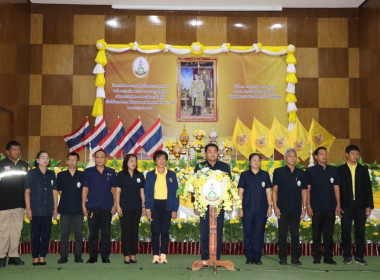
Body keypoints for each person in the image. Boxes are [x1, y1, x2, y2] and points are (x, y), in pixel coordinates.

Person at [194, 143, 231, 261]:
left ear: (218, 153)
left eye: (215, 151)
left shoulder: (224, 167)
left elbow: (229, 186)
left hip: (219, 205)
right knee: (205, 231)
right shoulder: (200, 167)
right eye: (210, 151)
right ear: (205, 154)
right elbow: (194, 187)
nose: (212, 153)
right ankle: (205, 257)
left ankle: (216, 258)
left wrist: (229, 202)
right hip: (204, 205)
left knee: (217, 231)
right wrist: (196, 205)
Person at [338, 145, 373, 265]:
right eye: (353, 153)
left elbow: (368, 189)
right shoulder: (340, 170)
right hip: (345, 205)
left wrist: (369, 206)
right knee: (346, 231)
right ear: (347, 154)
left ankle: (359, 256)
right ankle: (347, 256)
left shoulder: (363, 170)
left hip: (360, 206)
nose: (355, 156)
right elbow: (337, 189)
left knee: (360, 231)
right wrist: (337, 205)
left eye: (357, 154)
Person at [306, 147, 341, 265]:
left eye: (325, 154)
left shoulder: (333, 170)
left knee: (329, 234)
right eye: (321, 154)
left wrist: (338, 204)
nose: (324, 156)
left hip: (330, 207)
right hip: (316, 207)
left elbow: (336, 188)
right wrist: (308, 206)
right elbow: (308, 190)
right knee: (316, 234)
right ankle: (316, 257)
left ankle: (328, 257)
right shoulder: (310, 171)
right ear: (316, 157)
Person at [272, 148, 307, 265]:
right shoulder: (278, 172)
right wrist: (275, 207)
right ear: (285, 158)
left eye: (294, 156)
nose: (292, 158)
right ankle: (283, 258)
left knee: (295, 234)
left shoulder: (301, 173)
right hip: (282, 209)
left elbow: (304, 191)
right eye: (290, 156)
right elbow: (275, 190)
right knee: (282, 234)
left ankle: (295, 258)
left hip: (296, 208)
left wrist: (305, 207)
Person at [144, 150, 179, 264]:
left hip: (167, 205)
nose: (161, 161)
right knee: (155, 231)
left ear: (166, 160)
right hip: (154, 205)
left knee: (164, 231)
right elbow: (147, 193)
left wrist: (174, 209)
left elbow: (176, 193)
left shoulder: (171, 174)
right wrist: (147, 208)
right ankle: (155, 255)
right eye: (159, 158)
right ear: (155, 161)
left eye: (163, 158)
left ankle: (163, 255)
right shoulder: (150, 175)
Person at [82, 150, 116, 264]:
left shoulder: (111, 172)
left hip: (107, 207)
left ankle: (105, 256)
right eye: (98, 157)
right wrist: (83, 204)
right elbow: (85, 189)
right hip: (92, 206)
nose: (100, 159)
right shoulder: (88, 172)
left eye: (102, 157)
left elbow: (114, 189)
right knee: (93, 233)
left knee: (106, 233)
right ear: (94, 159)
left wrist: (115, 204)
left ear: (106, 158)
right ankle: (93, 256)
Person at [238, 153, 272, 265]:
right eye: (254, 160)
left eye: (258, 160)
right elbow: (240, 192)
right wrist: (240, 208)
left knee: (259, 234)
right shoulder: (244, 175)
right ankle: (249, 257)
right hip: (247, 210)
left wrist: (270, 206)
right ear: (249, 162)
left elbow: (268, 192)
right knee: (248, 233)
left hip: (261, 210)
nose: (256, 162)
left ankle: (257, 257)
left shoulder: (265, 175)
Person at [24, 151, 58, 266]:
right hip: (35, 209)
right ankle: (35, 257)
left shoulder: (52, 174)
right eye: (42, 157)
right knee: (35, 234)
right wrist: (28, 209)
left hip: (48, 209)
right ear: (37, 160)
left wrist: (55, 207)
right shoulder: (31, 173)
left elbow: (54, 192)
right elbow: (27, 192)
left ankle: (42, 256)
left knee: (45, 234)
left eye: (47, 158)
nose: (45, 160)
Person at [0, 141, 28, 268]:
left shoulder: (24, 165)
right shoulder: (1, 165)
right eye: (13, 149)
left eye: (18, 149)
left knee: (16, 231)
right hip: (3, 205)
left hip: (19, 204)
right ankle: (1, 257)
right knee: (3, 232)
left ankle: (13, 256)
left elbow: (28, 187)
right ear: (7, 152)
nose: (16, 152)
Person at [115, 154, 145, 264]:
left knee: (134, 231)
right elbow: (118, 191)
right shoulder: (121, 175)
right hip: (124, 208)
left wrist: (144, 205)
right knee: (126, 232)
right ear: (126, 162)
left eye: (135, 161)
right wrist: (118, 206)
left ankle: (133, 254)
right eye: (131, 161)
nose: (133, 163)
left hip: (137, 207)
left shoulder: (140, 175)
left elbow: (142, 191)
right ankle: (126, 255)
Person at [56, 152, 84, 264]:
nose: (72, 162)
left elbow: (85, 191)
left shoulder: (82, 175)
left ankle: (78, 255)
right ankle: (64, 256)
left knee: (78, 233)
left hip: (78, 209)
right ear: (67, 161)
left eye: (74, 160)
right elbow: (60, 191)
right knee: (64, 233)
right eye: (70, 160)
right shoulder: (61, 175)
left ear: (78, 162)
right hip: (65, 209)